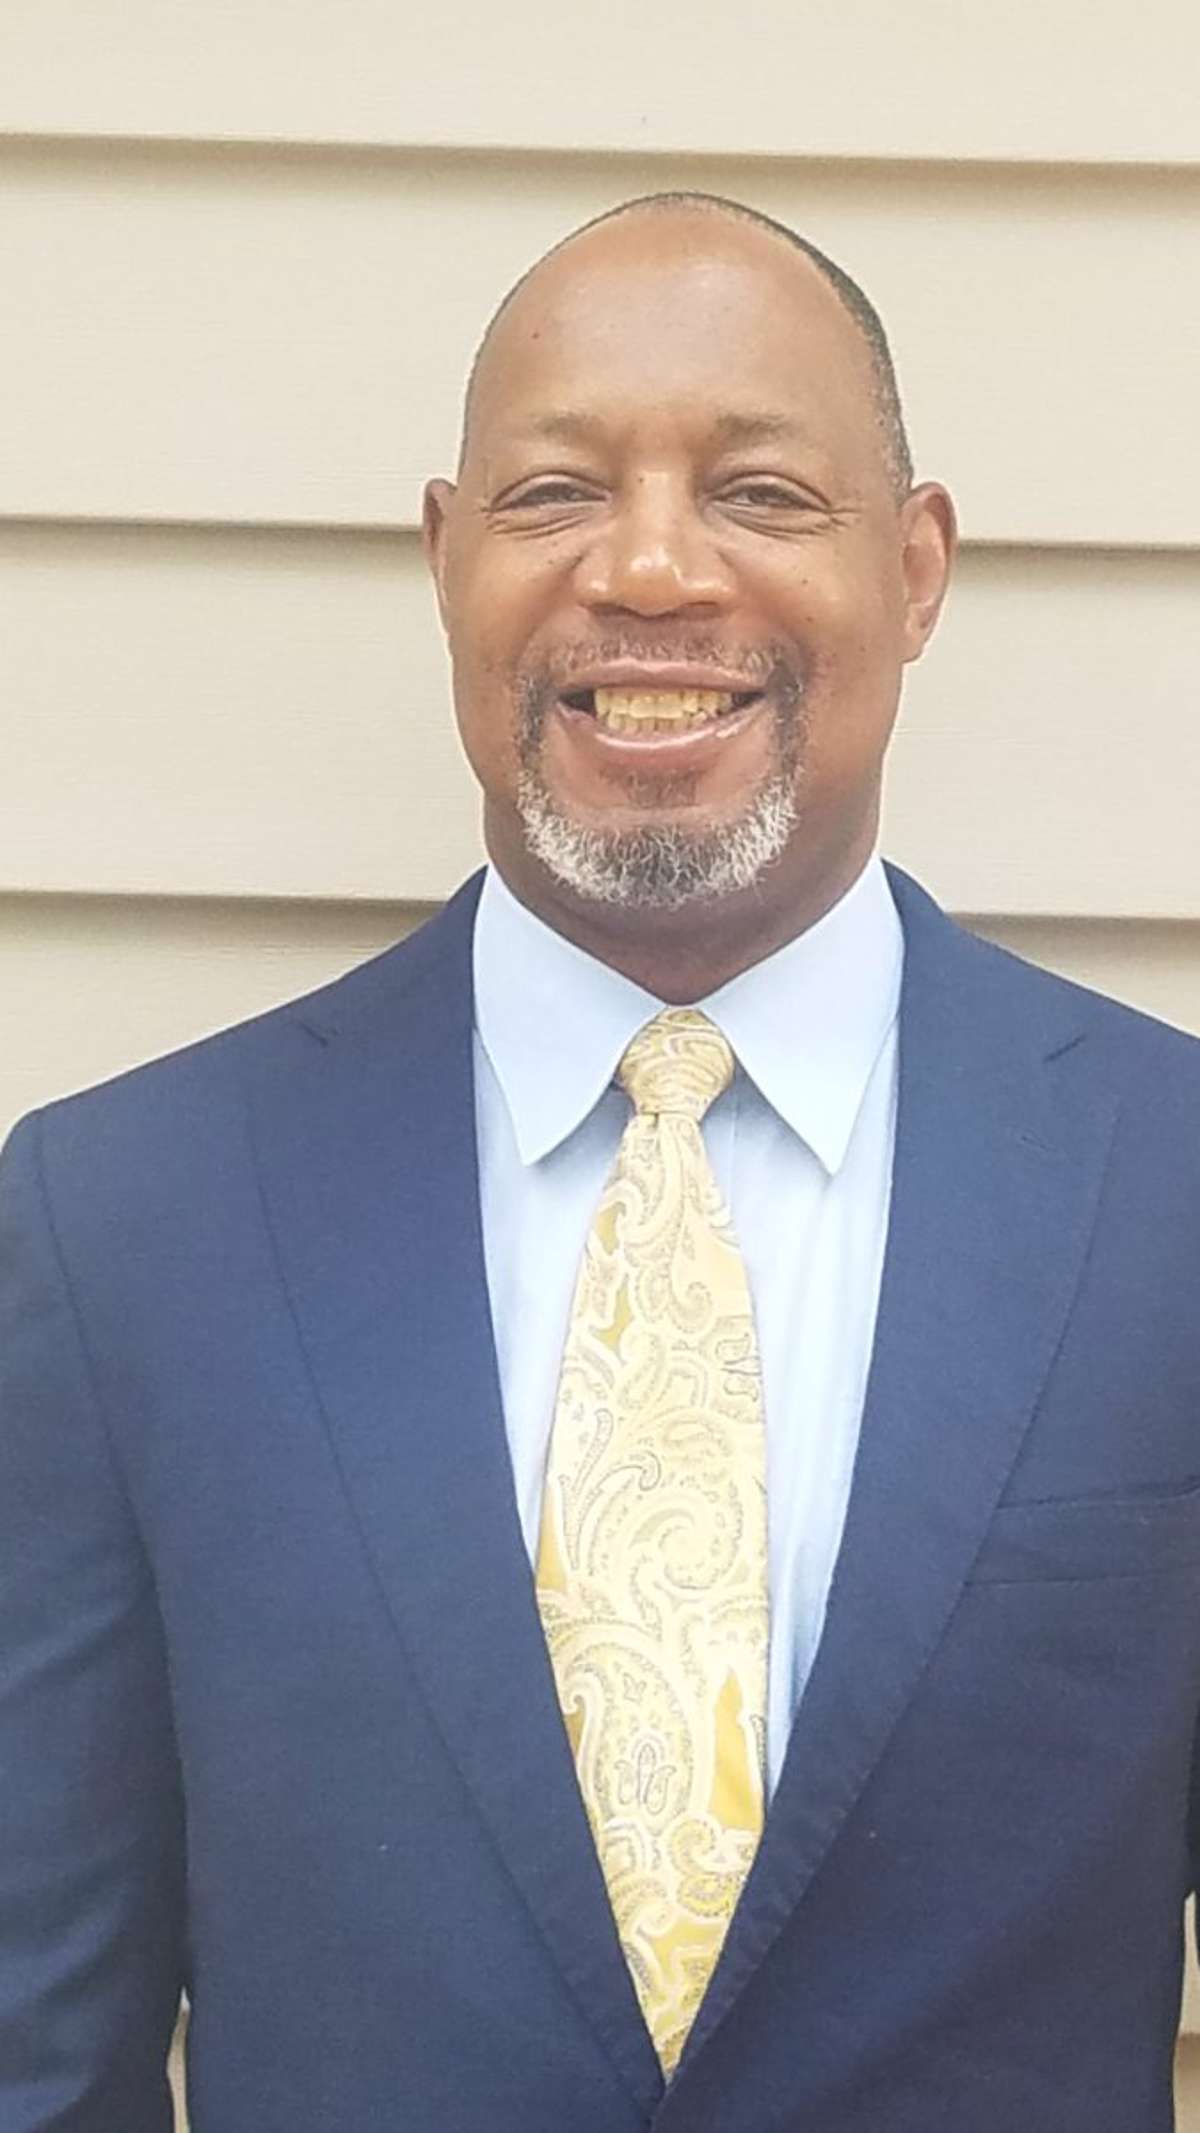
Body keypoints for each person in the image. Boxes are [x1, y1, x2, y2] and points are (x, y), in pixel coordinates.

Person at [2, 189, 1199, 2133]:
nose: (647, 568)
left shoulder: (1168, 1199)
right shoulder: (124, 1226)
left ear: (915, 569)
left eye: (760, 493)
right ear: (445, 559)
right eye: (555, 492)